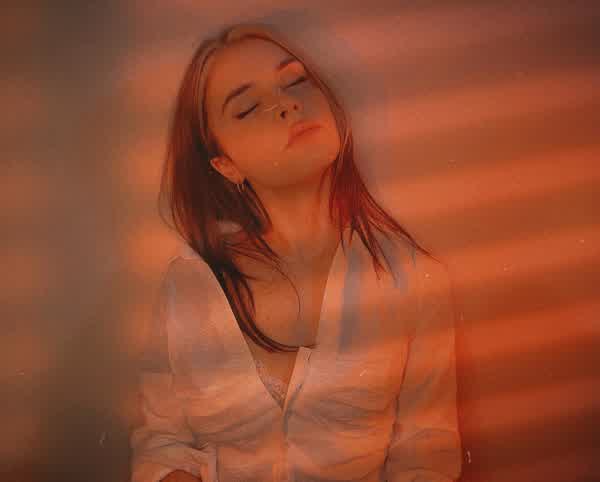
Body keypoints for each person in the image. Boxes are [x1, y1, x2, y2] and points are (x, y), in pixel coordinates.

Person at [129, 22, 462, 482]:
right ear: (225, 164)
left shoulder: (414, 279)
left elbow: (426, 455)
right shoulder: (188, 285)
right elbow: (164, 442)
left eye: (296, 81)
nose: (287, 104)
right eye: (247, 108)